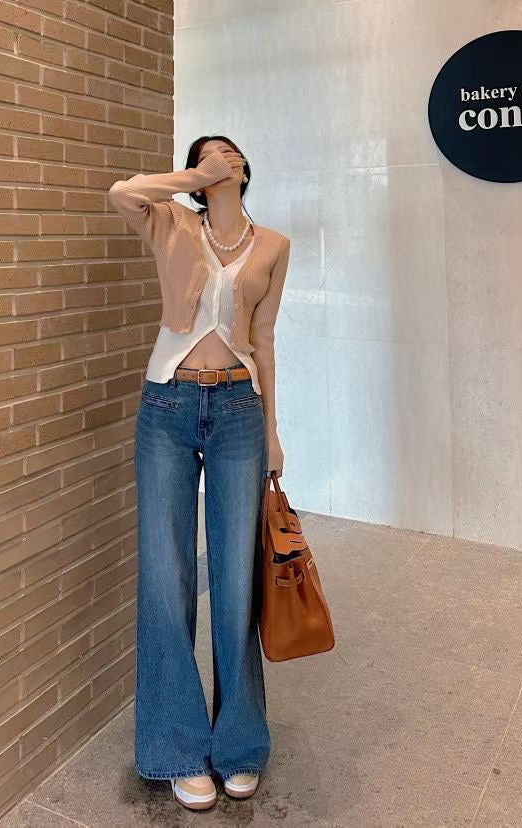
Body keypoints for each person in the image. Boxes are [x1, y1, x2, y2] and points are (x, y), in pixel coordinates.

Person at [107, 136, 291, 811]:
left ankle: (239, 743)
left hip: (239, 409)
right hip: (167, 407)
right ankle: (177, 748)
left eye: (230, 152)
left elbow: (264, 341)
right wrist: (191, 177)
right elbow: (122, 193)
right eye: (210, 153)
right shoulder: (172, 223)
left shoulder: (273, 246)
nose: (224, 157)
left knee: (237, 578)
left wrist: (272, 432)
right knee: (167, 576)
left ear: (246, 168)